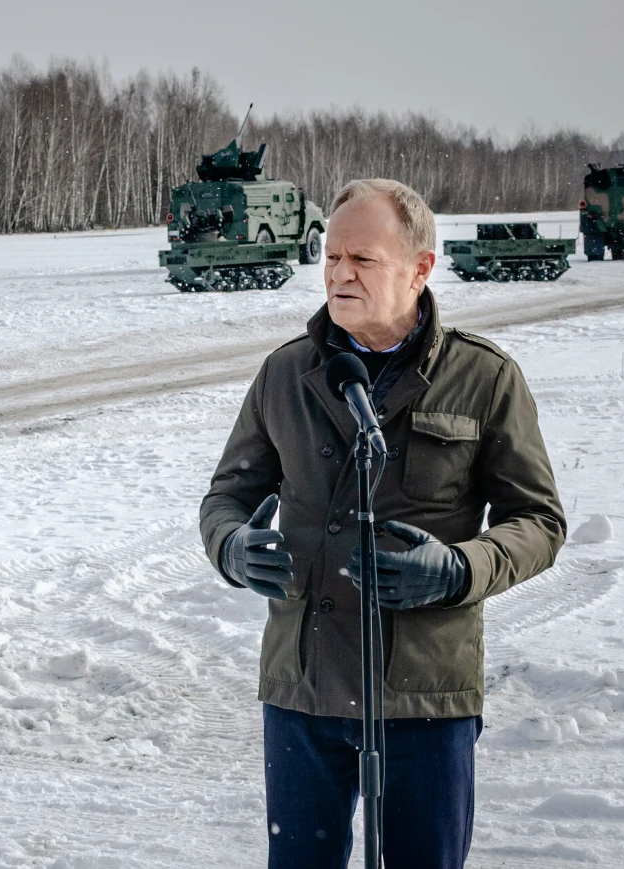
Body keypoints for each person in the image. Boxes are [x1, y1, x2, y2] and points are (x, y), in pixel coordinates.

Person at [199, 179, 566, 869]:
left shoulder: (483, 379)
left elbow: (538, 520)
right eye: (332, 257)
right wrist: (232, 547)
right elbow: (225, 497)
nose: (339, 273)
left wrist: (461, 567)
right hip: (303, 694)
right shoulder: (284, 375)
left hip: (425, 695)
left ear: (420, 268)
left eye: (362, 259)